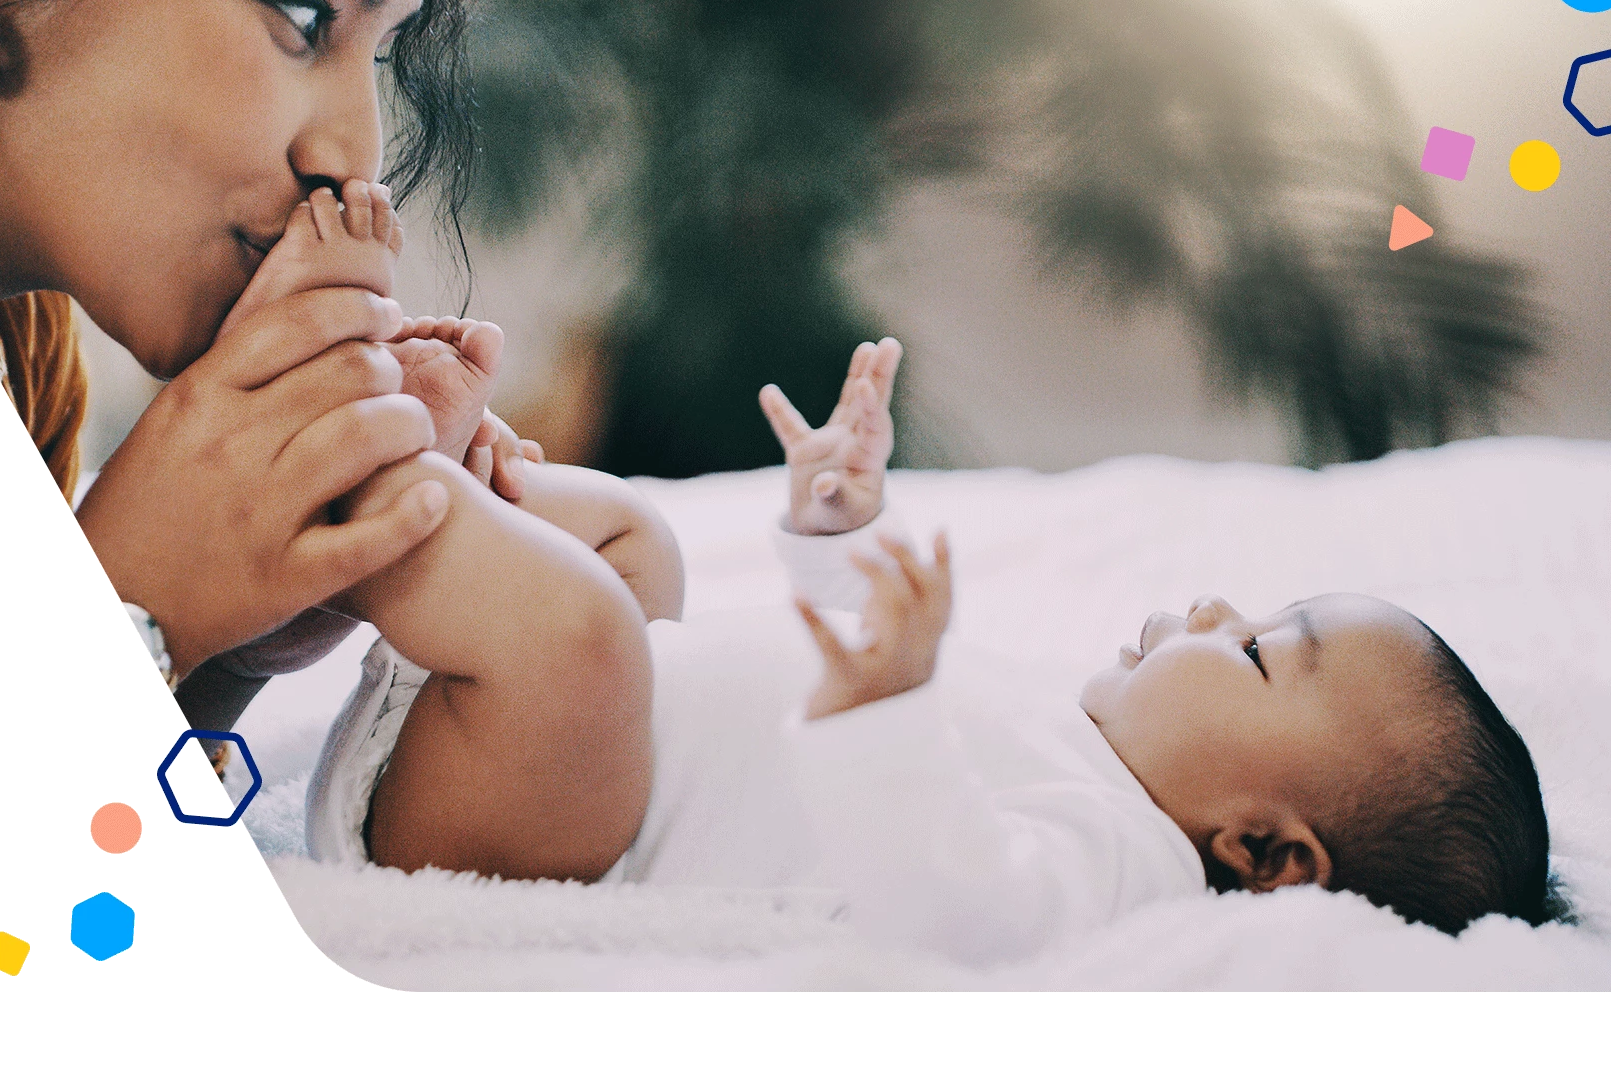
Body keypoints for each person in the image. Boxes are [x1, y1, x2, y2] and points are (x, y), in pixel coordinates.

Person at [302, 321, 1552, 963]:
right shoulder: (1073, 745)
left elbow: (952, 907)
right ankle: (455, 504)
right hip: (536, 737)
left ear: (1265, 851)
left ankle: (371, 483)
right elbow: (837, 659)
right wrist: (832, 530)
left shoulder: (1117, 869)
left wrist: (892, 709)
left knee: (584, 634)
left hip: (511, 821)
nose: (1216, 610)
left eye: (1257, 653)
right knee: (642, 547)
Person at [0, 0, 524, 733]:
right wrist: (139, 598)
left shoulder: (24, 351)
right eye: (303, 19)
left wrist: (230, 645)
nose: (355, 160)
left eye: (378, 58)